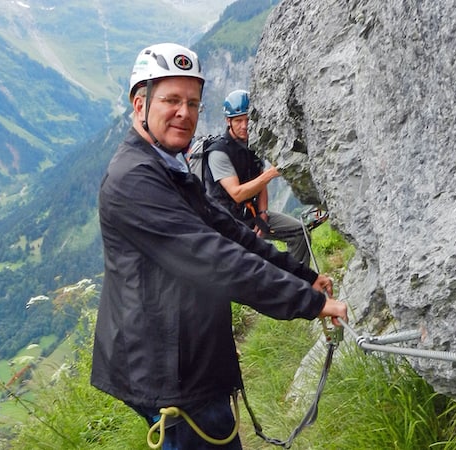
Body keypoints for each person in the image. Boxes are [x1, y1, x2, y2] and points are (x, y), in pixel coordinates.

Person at [91, 42, 348, 450]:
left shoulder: (170, 167)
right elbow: (214, 259)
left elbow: (231, 232)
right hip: (169, 371)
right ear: (139, 104)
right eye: (172, 100)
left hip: (186, 353)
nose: (185, 113)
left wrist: (305, 277)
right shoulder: (133, 181)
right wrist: (308, 303)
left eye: (193, 103)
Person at [203, 89, 313, 266]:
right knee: (251, 264)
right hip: (226, 222)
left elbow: (260, 182)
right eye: (238, 120)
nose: (245, 126)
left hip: (251, 214)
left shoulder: (253, 144)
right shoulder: (218, 153)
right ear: (228, 121)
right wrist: (270, 174)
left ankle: (298, 284)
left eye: (248, 119)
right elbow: (237, 193)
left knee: (299, 232)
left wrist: (262, 215)